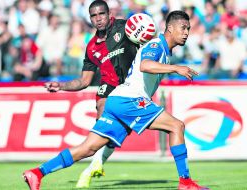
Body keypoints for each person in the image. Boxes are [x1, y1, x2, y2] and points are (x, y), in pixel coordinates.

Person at [23, 10, 209, 190]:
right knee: (176, 126)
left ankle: (37, 173)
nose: (186, 33)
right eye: (183, 28)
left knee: (87, 148)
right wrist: (176, 68)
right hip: (130, 100)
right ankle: (185, 183)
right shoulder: (156, 45)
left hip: (116, 100)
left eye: (188, 29)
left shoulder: (164, 49)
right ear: (169, 28)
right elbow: (145, 65)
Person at [42, 0, 138, 188]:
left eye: (101, 14)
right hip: (110, 86)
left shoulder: (124, 26)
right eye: (93, 16)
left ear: (109, 14)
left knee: (120, 131)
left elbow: (145, 34)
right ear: (90, 19)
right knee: (103, 111)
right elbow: (84, 81)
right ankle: (93, 160)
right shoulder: (92, 47)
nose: (98, 19)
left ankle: (97, 163)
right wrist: (60, 86)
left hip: (133, 86)